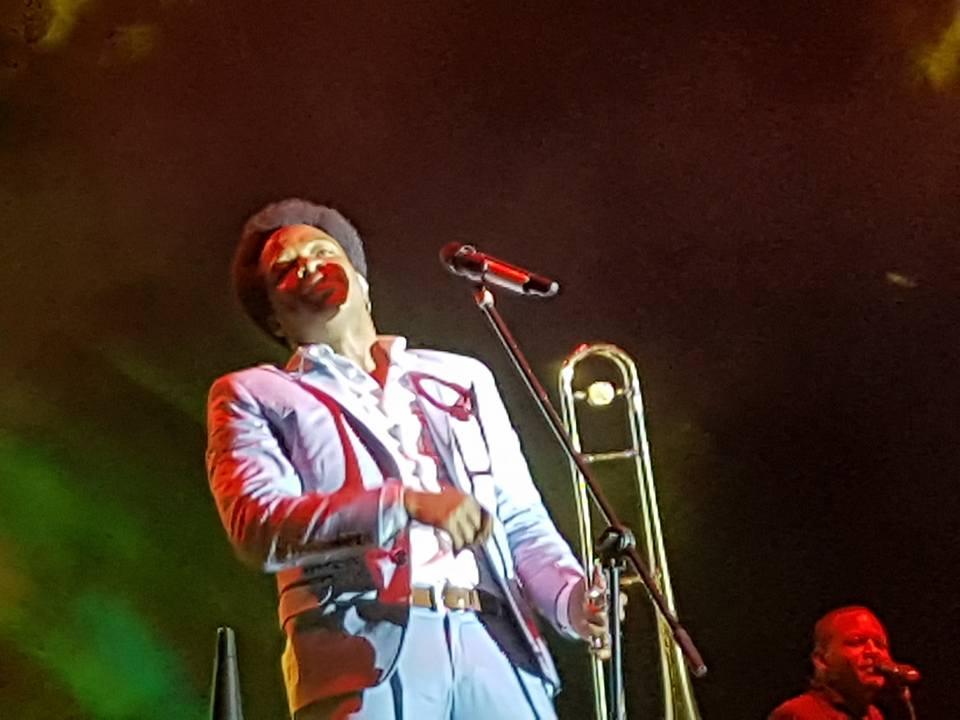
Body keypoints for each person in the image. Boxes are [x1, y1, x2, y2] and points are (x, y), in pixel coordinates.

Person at [206, 198, 610, 719]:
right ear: (274, 319)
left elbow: (517, 518)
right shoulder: (254, 394)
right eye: (285, 268)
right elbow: (258, 526)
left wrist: (571, 599)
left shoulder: (461, 377)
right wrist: (404, 504)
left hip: (496, 645)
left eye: (323, 251)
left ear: (362, 282)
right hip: (364, 654)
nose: (307, 263)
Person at [768, 606, 901, 720]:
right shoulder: (797, 713)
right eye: (856, 641)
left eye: (880, 644)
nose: (873, 651)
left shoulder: (874, 715)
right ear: (821, 660)